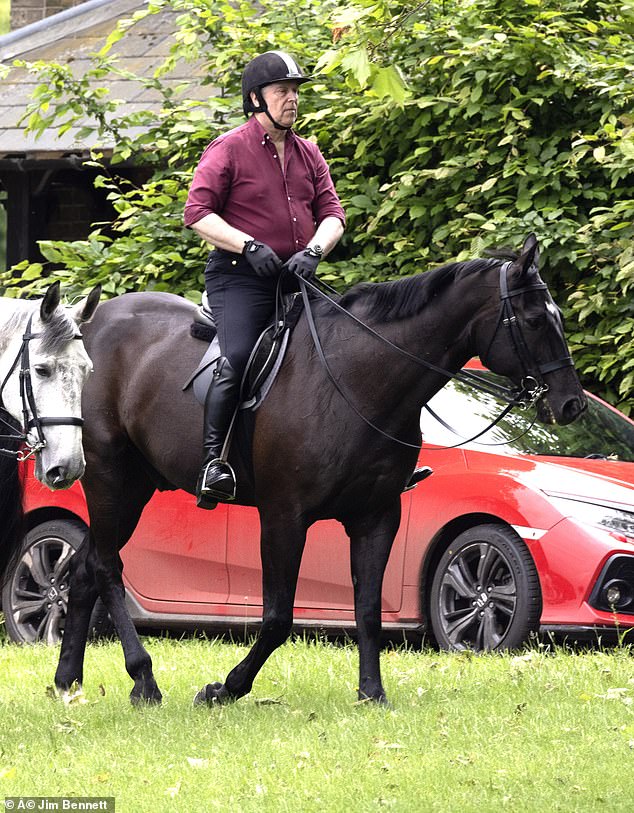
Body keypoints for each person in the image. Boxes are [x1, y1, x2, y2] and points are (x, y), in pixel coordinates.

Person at [184, 50, 346, 508]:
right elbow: (196, 213)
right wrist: (247, 245)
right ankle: (213, 463)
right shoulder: (229, 148)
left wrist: (314, 251)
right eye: (283, 92)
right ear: (256, 98)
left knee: (345, 346)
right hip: (239, 279)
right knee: (238, 355)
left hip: (293, 278)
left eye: (295, 92)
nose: (292, 100)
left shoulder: (308, 151)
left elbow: (333, 213)